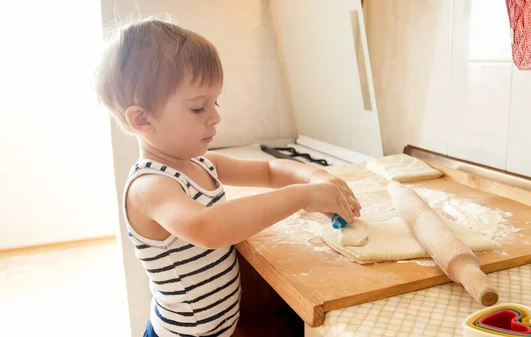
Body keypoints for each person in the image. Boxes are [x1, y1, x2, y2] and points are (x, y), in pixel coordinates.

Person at [94, 17, 361, 337]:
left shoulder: (201, 164)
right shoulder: (150, 187)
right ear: (141, 119)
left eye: (215, 102)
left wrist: (317, 178)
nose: (216, 117)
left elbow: (268, 170)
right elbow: (209, 228)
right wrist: (302, 196)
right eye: (198, 108)